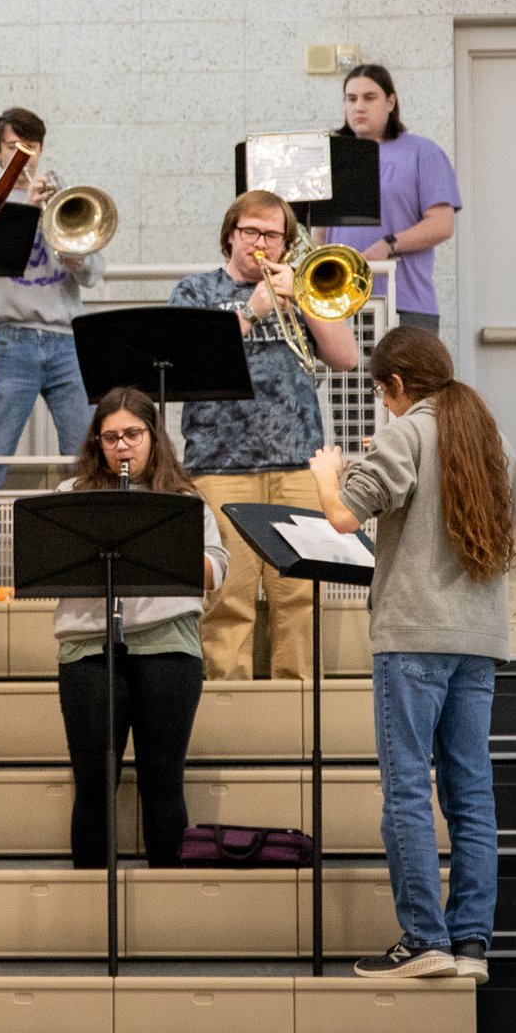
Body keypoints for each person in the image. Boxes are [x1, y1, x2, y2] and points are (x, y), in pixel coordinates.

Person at [308, 325, 516, 983]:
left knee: (407, 789)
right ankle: (471, 943)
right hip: (478, 640)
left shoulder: (406, 433)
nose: (384, 402)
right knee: (471, 794)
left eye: (382, 391)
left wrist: (329, 475)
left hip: (413, 638)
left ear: (397, 384)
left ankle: (424, 937)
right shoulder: (491, 438)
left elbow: (344, 517)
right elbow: (508, 512)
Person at [171, 190, 360, 681]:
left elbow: (345, 358)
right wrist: (253, 309)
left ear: (286, 242)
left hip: (299, 462)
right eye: (250, 231)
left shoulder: (301, 289)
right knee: (227, 598)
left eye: (272, 235)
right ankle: (229, 703)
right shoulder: (197, 291)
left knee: (299, 596)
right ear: (230, 235)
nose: (260, 243)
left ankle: (295, 704)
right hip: (220, 465)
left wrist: (304, 299)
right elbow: (186, 361)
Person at [52, 386, 227, 868]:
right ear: (97, 442)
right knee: (93, 785)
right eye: (110, 438)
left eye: (132, 435)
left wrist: (159, 545)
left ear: (153, 436)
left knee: (163, 782)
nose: (122, 447)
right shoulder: (71, 497)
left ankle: (166, 902)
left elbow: (216, 568)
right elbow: (51, 563)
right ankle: (91, 901)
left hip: (168, 645)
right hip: (89, 648)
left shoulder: (182, 498)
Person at [0, 108, 107, 492]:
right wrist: (27, 212)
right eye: (13, 147)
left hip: (66, 340)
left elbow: (93, 275)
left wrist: (77, 257)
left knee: (85, 457)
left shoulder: (64, 198)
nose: (23, 157)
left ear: (41, 150)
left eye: (30, 148)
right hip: (10, 338)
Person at [322, 64, 461, 335]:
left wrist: (388, 244)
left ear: (390, 102)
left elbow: (442, 225)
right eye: (351, 99)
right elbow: (322, 233)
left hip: (405, 303)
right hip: (341, 304)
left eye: (369, 98)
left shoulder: (423, 152)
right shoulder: (333, 157)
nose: (359, 107)